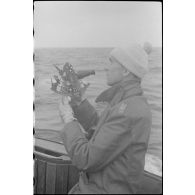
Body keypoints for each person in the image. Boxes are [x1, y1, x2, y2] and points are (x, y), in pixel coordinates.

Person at [59, 44, 152, 194]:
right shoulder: (124, 102)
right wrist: (79, 102)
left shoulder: (129, 111)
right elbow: (101, 131)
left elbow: (86, 159)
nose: (105, 68)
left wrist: (68, 119)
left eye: (111, 62)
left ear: (126, 70)